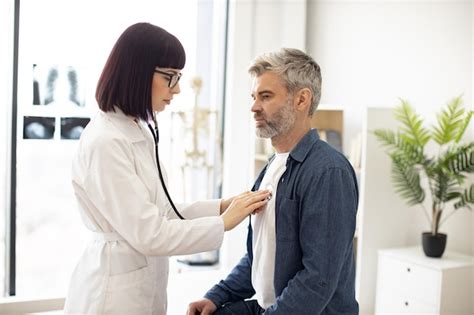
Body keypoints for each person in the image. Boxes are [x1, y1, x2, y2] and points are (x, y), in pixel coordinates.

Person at [64, 22, 270, 315]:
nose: (177, 88)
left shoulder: (139, 129)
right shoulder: (105, 141)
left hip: (141, 284)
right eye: (170, 77)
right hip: (111, 296)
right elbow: (150, 233)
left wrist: (222, 206)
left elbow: (161, 211)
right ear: (138, 71)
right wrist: (224, 222)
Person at [187, 48, 359, 314]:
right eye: (254, 97)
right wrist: (216, 297)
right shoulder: (272, 166)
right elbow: (260, 256)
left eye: (266, 96)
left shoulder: (328, 172)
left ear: (302, 100)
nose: (254, 107)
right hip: (270, 305)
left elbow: (317, 280)